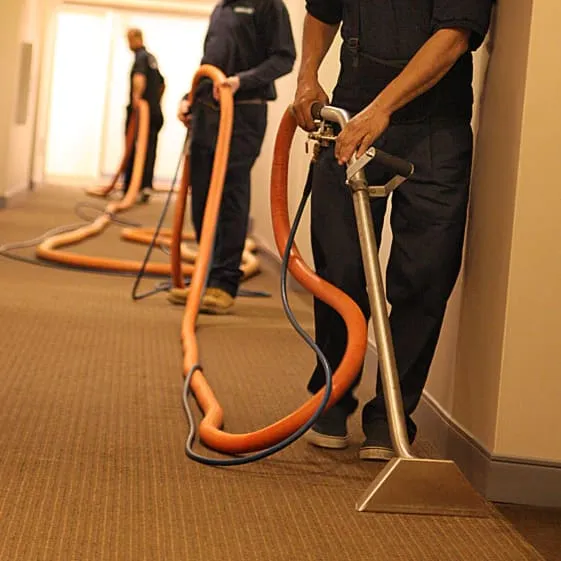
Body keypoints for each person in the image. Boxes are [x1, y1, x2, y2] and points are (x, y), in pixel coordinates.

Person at [292, 0, 493, 460]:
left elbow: (454, 36)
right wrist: (307, 77)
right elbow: (323, 11)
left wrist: (381, 109)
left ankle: (391, 415)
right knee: (339, 267)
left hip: (434, 128)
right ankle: (333, 392)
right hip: (349, 112)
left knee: (424, 275)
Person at [167, 0, 296, 314]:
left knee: (229, 195)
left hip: (244, 110)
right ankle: (203, 277)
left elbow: (284, 58)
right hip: (206, 112)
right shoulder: (221, 8)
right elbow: (209, 60)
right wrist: (190, 98)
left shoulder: (268, 6)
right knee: (202, 197)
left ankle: (224, 284)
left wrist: (242, 80)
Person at [123, 28, 165, 203]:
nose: (128, 44)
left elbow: (139, 79)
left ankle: (130, 187)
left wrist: (137, 101)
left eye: (129, 40)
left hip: (142, 113)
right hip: (155, 112)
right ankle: (145, 186)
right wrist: (155, 102)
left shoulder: (140, 57)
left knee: (133, 147)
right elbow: (163, 84)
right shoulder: (151, 58)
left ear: (136, 38)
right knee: (150, 149)